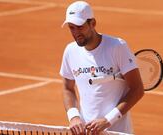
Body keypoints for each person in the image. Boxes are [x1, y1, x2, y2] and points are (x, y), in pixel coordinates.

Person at [60, 1, 144, 134]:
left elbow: (138, 89)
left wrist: (107, 120)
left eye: (80, 27)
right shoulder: (70, 51)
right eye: (71, 27)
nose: (76, 33)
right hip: (87, 132)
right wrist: (74, 116)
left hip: (117, 132)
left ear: (92, 23)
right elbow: (67, 88)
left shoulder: (117, 47)